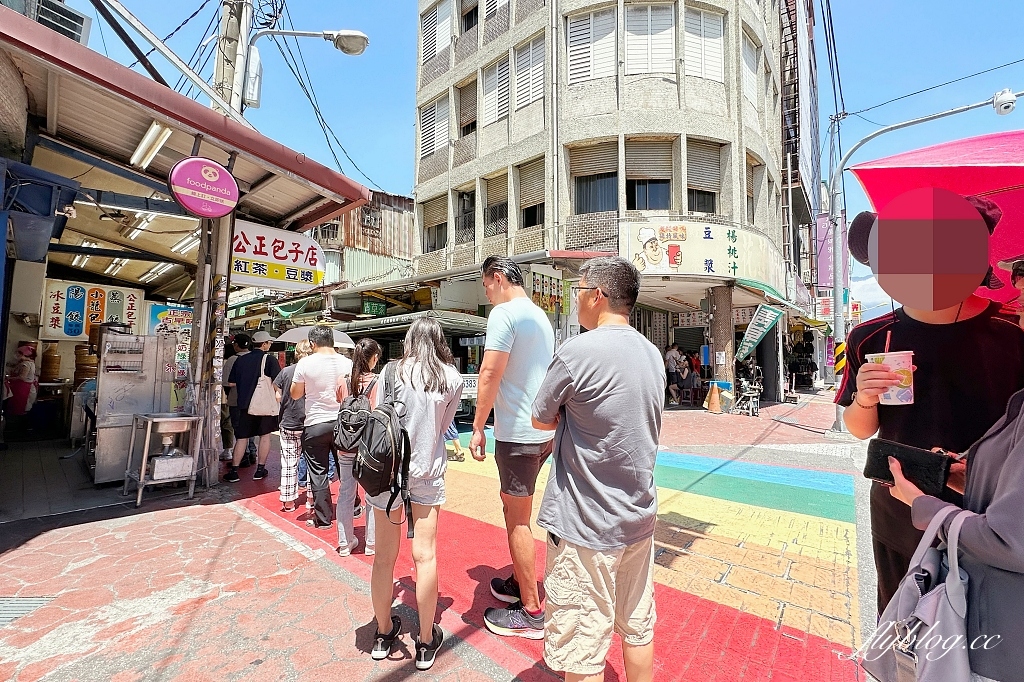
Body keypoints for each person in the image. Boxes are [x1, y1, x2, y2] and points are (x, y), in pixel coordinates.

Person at [837, 200, 1024, 616]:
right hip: (898, 506)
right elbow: (860, 428)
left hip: (988, 513)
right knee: (902, 626)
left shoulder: (1013, 328)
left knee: (985, 626)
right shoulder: (871, 335)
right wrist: (865, 397)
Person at [532, 256, 662, 682]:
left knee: (582, 647)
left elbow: (540, 418)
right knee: (638, 626)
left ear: (597, 295)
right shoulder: (652, 354)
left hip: (586, 523)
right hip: (638, 517)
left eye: (579, 290)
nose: (576, 300)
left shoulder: (577, 352)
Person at [369, 318, 464, 671]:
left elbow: (379, 417)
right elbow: (444, 428)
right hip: (427, 472)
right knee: (425, 557)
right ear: (440, 341)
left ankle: (383, 634)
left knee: (384, 558)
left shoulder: (390, 372)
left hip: (387, 473)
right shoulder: (451, 377)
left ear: (409, 340)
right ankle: (425, 641)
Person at [469, 255, 555, 640]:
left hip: (517, 435)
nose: (487, 294)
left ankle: (532, 611)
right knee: (513, 509)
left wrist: (477, 426)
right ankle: (521, 582)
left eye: (486, 286)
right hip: (542, 433)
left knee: (518, 519)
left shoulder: (504, 314)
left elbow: (490, 372)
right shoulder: (540, 317)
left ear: (498, 277)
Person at [290, 326, 353, 536]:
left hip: (315, 424)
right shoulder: (347, 363)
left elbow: (295, 394)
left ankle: (324, 518)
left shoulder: (305, 363)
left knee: (318, 472)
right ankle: (353, 507)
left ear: (312, 343)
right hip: (343, 423)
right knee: (346, 468)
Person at [224, 331, 280, 482]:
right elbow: (277, 382)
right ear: (264, 344)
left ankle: (234, 471)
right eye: (269, 342)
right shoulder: (269, 360)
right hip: (263, 405)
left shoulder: (240, 360)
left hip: (244, 405)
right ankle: (260, 470)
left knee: (242, 438)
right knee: (264, 436)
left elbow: (231, 382)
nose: (270, 345)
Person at [345, 337, 382, 556]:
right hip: (369, 445)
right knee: (371, 494)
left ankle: (344, 542)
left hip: (346, 443)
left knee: (345, 493)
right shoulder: (378, 382)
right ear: (374, 358)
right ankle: (371, 544)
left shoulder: (344, 380)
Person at [274, 340, 312, 513]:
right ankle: (311, 499)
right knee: (313, 463)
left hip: (289, 420)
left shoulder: (286, 371)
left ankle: (288, 501)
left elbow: (277, 395)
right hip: (311, 422)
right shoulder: (315, 372)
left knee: (289, 463)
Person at [223, 334, 257, 466]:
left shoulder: (232, 360)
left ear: (236, 345)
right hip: (254, 399)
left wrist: (230, 394)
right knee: (251, 427)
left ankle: (243, 457)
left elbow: (226, 383)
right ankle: (252, 452)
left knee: (239, 428)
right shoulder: (257, 359)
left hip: (236, 399)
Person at [4, 343, 38, 417]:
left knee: (18, 407)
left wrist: (9, 378)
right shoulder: (30, 363)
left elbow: (22, 377)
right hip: (22, 387)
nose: (16, 355)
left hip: (22, 388)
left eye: (18, 353)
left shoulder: (26, 364)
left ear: (23, 354)